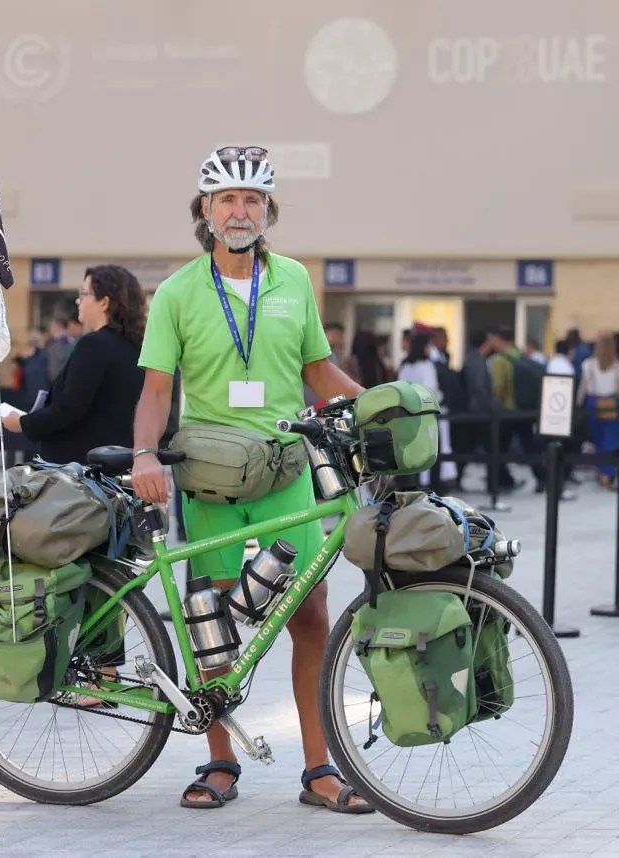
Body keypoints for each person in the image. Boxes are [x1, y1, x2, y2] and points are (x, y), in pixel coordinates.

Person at [129, 145, 372, 813]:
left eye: (253, 200)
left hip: (285, 471)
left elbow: (320, 372)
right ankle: (219, 758)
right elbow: (155, 391)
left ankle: (320, 770)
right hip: (207, 477)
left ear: (268, 212)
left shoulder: (293, 279)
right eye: (228, 199)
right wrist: (144, 455)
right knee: (210, 616)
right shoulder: (178, 291)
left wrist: (376, 404)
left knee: (311, 616)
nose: (241, 211)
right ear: (205, 212)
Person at [2, 265, 149, 466]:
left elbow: (70, 407)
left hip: (80, 469)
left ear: (104, 302)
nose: (78, 300)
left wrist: (23, 423)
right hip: (118, 462)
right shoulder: (136, 346)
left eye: (84, 294)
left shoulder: (94, 344)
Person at [396, 331, 454, 491]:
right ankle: (433, 487)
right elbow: (430, 390)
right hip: (427, 413)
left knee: (412, 453)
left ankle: (410, 487)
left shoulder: (405, 365)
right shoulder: (427, 366)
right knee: (432, 451)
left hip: (408, 413)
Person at [575, 332, 619, 489]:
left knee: (597, 440)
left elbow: (583, 387)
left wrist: (578, 404)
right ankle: (608, 473)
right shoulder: (617, 365)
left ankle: (601, 471)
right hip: (611, 404)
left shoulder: (588, 365)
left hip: (593, 403)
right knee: (610, 440)